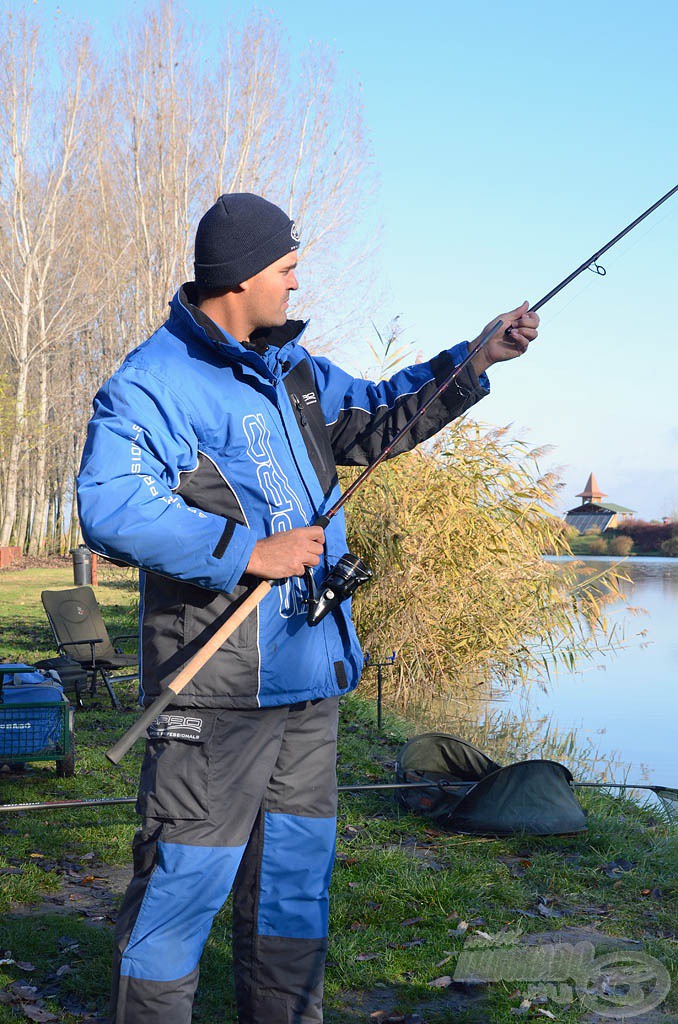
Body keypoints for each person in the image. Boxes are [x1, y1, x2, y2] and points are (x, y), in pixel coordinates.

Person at [76, 192, 539, 1024]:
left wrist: (476, 361)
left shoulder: (296, 373)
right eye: (286, 268)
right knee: (178, 900)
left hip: (309, 683)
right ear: (242, 276)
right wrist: (245, 552)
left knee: (293, 899)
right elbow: (110, 505)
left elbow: (381, 421)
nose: (296, 283)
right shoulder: (153, 383)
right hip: (213, 697)